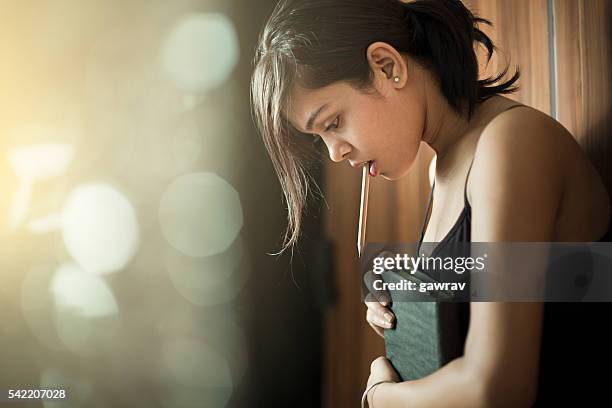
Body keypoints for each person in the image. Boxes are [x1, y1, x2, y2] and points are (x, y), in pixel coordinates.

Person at [250, 0, 611, 406]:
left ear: (387, 66)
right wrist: (406, 310)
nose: (334, 152)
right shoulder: (441, 171)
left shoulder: (512, 143)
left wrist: (381, 396)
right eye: (320, 137)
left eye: (333, 123)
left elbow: (497, 390)